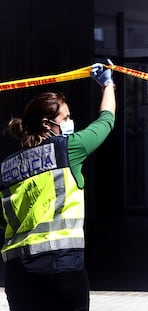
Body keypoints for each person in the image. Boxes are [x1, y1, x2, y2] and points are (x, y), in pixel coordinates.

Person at [0, 61, 116, 311]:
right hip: (60, 266)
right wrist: (108, 84)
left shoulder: (7, 166)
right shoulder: (67, 149)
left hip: (17, 272)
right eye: (66, 117)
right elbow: (106, 121)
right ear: (46, 124)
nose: (70, 121)